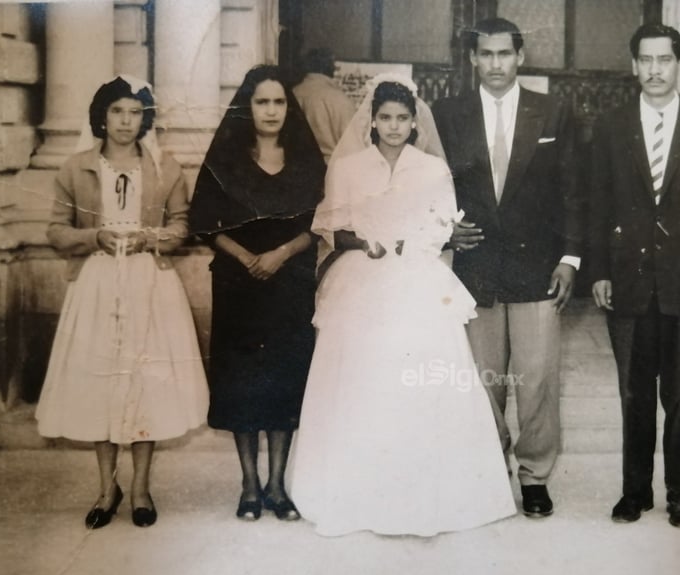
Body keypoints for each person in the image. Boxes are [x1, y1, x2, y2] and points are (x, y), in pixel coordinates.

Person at [289, 76, 516, 537]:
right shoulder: (349, 167)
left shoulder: (432, 169)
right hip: (363, 279)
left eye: (402, 119)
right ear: (372, 120)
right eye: (385, 118)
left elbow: (441, 228)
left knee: (421, 377)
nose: (393, 127)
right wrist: (366, 243)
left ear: (415, 122)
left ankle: (424, 496)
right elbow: (332, 227)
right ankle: (357, 494)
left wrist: (415, 242)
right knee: (363, 380)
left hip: (416, 279)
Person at [36, 75, 209, 529]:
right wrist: (97, 235)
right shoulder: (75, 167)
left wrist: (149, 239)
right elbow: (55, 231)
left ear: (144, 118)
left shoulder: (164, 167)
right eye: (117, 112)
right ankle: (106, 486)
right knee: (103, 383)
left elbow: (181, 225)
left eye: (134, 112)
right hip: (96, 282)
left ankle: (141, 488)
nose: (126, 122)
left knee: (145, 381)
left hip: (150, 283)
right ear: (102, 116)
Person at [432, 18, 583, 518]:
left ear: (520, 57)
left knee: (537, 377)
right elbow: (425, 186)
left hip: (538, 268)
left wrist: (570, 258)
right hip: (474, 270)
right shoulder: (447, 115)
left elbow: (573, 192)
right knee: (482, 378)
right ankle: (489, 467)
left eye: (504, 54)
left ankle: (535, 475)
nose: (495, 64)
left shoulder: (553, 112)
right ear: (472, 59)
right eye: (486, 54)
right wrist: (442, 231)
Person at [589, 23, 680, 528]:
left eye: (664, 60)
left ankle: (679, 493)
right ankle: (634, 492)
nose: (654, 70)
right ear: (633, 65)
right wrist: (600, 271)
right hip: (627, 281)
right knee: (633, 393)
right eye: (645, 60)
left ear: (678, 64)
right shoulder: (609, 127)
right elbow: (598, 203)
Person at [190, 65, 326, 522]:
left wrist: (281, 254)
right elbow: (204, 221)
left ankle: (277, 485)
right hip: (238, 285)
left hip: (289, 284)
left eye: (279, 102)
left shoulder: (307, 160)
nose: (271, 111)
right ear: (248, 108)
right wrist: (247, 257)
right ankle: (249, 484)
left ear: (290, 108)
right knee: (243, 384)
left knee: (284, 381)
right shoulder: (225, 159)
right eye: (262, 102)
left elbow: (319, 222)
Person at [293, 48, 356, 163]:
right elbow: (354, 147)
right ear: (328, 67)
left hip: (297, 168)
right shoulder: (340, 99)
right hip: (332, 170)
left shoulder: (293, 93)